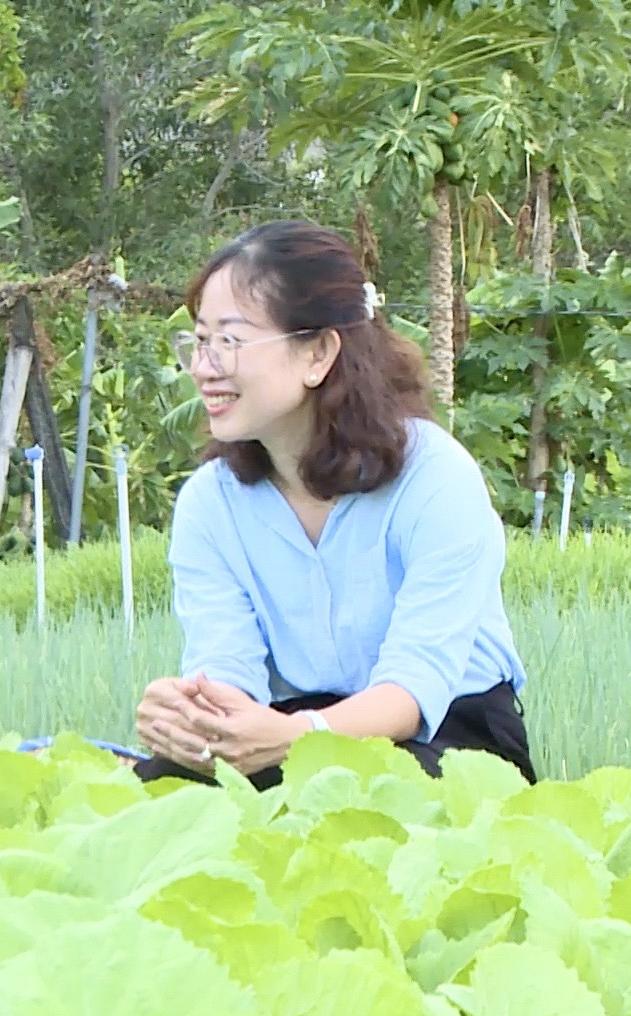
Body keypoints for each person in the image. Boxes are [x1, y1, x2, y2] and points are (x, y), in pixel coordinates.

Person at [131, 220, 536, 788]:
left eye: (230, 340)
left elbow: (415, 691)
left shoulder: (436, 478)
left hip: (453, 733)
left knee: (370, 795)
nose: (204, 367)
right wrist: (193, 717)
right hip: (298, 724)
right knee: (161, 790)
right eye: (199, 341)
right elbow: (228, 668)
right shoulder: (209, 502)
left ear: (318, 352)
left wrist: (299, 736)